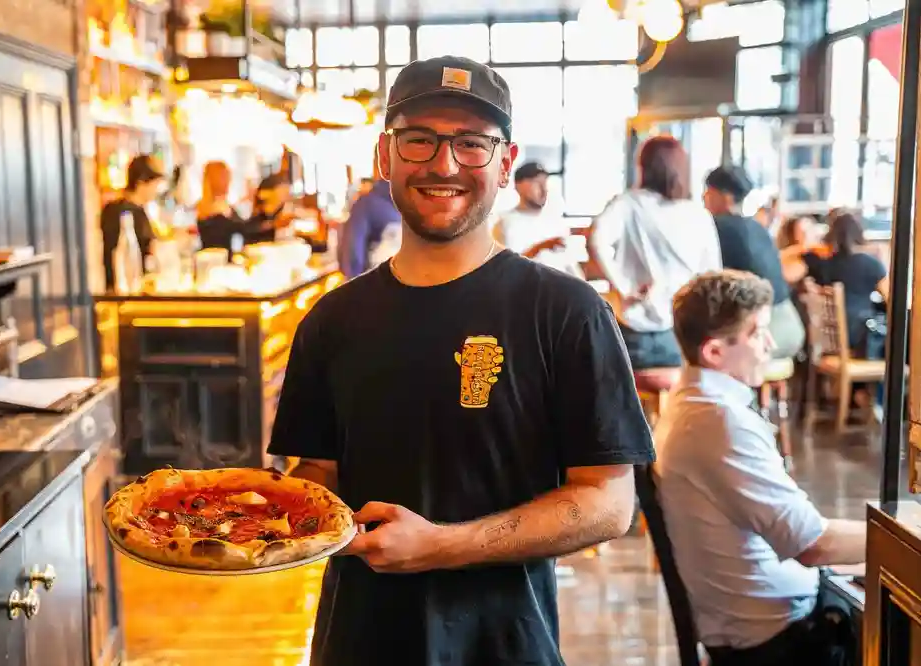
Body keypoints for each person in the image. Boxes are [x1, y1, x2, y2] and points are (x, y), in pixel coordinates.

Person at [268, 55, 655, 666]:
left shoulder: (566, 312)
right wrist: (234, 515)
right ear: (384, 157)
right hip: (357, 643)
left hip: (504, 645)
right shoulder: (331, 321)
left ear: (503, 162)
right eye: (419, 140)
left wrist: (442, 546)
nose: (443, 164)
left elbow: (609, 503)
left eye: (472, 144)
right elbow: (321, 478)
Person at [654, 270, 866, 666]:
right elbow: (813, 544)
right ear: (714, 352)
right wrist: (913, 538)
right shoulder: (716, 422)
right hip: (781, 645)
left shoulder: (695, 403)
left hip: (777, 621)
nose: (769, 345)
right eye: (756, 333)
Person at [588, 135, 722, 369]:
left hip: (632, 336)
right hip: (680, 337)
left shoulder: (627, 204)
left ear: (643, 167)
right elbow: (712, 274)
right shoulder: (698, 214)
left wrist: (624, 288)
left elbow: (596, 240)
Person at [703, 165, 805, 361]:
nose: (704, 199)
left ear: (725, 197)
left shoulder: (718, 227)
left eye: (708, 193)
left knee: (709, 355)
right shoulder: (757, 228)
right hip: (791, 327)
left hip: (765, 332)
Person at [793, 210, 890, 357]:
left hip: (831, 339)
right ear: (859, 233)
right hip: (859, 338)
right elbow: (891, 299)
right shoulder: (871, 264)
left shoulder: (823, 264)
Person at [492, 161, 583, 277]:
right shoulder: (506, 223)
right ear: (518, 185)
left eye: (545, 182)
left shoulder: (556, 221)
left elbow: (571, 265)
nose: (543, 188)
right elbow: (507, 269)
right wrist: (540, 248)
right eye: (536, 182)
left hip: (563, 290)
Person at [100, 154, 164, 288]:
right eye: (155, 184)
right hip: (130, 288)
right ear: (141, 182)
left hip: (120, 287)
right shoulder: (129, 213)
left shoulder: (113, 209)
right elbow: (150, 250)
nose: (156, 190)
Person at [339, 150, 402, 279]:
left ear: (378, 164)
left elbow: (352, 259)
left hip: (374, 292)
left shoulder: (365, 205)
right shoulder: (419, 204)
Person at [195, 161, 239, 256]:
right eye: (226, 177)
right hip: (217, 261)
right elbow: (242, 228)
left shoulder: (222, 205)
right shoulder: (217, 209)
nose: (229, 181)